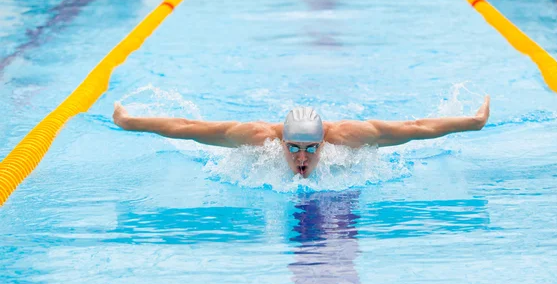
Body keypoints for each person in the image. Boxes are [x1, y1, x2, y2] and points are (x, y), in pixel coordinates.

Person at [113, 95, 490, 177]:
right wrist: (129, 122)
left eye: (311, 148)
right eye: (293, 148)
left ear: (325, 142)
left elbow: (416, 130)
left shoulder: (349, 138)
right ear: (281, 142)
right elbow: (188, 130)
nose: (302, 158)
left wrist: (473, 122)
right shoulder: (257, 138)